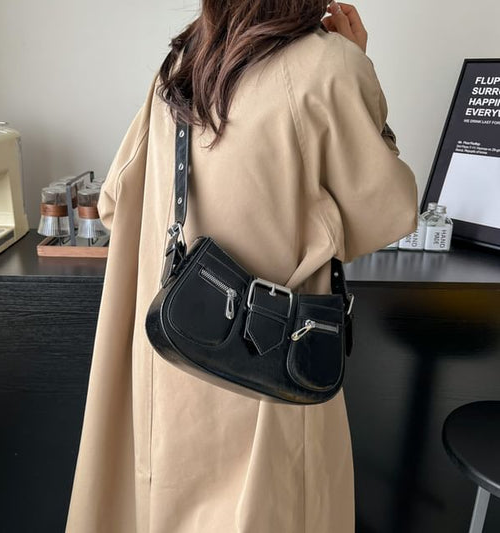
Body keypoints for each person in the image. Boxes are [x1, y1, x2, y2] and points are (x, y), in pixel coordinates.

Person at [65, 1, 418, 532]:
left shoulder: (184, 63)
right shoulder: (330, 65)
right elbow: (389, 214)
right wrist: (361, 70)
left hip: (176, 354)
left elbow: (115, 200)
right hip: (269, 365)